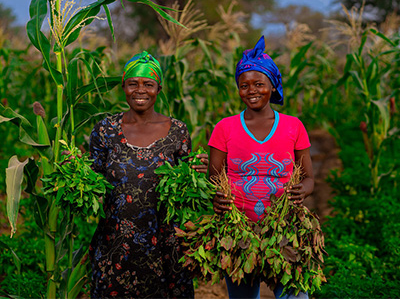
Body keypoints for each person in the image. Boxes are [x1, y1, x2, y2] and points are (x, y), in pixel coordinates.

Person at [88, 51, 208, 298]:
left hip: (165, 245)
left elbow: (185, 183)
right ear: (123, 87)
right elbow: (93, 178)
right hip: (116, 243)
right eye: (133, 84)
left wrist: (200, 170)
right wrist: (74, 172)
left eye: (148, 84)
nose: (140, 90)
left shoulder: (177, 131)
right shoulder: (105, 130)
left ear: (159, 89)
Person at [208, 36, 314, 299]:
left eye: (259, 84)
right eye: (244, 85)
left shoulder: (293, 126)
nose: (251, 90)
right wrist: (217, 196)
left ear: (272, 86)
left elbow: (309, 177)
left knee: (294, 295)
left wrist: (304, 190)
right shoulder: (225, 128)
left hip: (284, 229)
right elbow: (213, 177)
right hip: (238, 231)